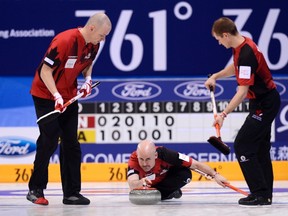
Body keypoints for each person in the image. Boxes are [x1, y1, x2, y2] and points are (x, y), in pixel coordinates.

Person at [27, 13, 112, 205]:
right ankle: (36, 189)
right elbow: (45, 71)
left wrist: (87, 80)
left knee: (71, 143)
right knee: (49, 140)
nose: (103, 39)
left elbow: (87, 64)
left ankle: (72, 193)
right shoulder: (64, 40)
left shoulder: (94, 44)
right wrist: (56, 96)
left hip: (70, 96)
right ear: (91, 28)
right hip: (45, 95)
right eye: (102, 35)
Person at [204, 17, 281, 206]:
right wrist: (216, 76)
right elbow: (235, 68)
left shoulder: (247, 53)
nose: (219, 43)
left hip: (265, 104)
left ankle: (259, 193)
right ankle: (265, 194)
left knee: (243, 144)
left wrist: (223, 115)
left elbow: (242, 92)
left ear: (225, 35)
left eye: (219, 40)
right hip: (261, 103)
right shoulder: (242, 45)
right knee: (260, 148)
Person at [127, 140, 228, 200]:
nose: (144, 164)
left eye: (148, 159)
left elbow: (196, 165)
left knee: (186, 175)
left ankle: (169, 192)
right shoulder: (134, 159)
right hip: (148, 185)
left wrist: (215, 175)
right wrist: (140, 182)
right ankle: (168, 193)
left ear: (155, 155)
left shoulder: (167, 155)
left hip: (164, 180)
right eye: (141, 159)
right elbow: (132, 184)